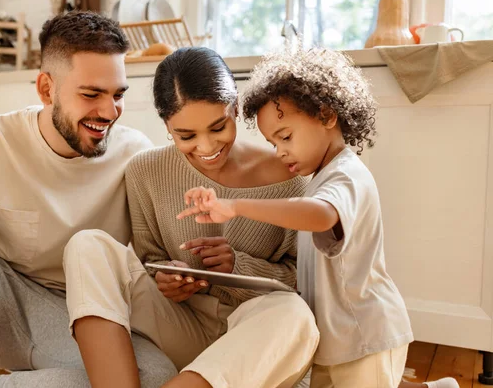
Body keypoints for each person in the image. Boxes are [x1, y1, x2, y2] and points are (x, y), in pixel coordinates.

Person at [0, 11, 177, 388]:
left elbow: (153, 256)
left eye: (118, 95)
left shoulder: (136, 156)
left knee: (155, 377)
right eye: (92, 94)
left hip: (75, 319)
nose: (109, 112)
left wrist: (174, 272)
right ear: (46, 89)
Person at [176, 47, 446, 388]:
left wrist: (235, 205)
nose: (280, 151)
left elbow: (320, 215)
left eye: (285, 136)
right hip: (333, 339)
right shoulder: (321, 177)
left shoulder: (344, 175)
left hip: (364, 335)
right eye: (273, 143)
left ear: (326, 115)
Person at [62, 47, 320, 388]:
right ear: (167, 125)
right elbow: (150, 260)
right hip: (180, 324)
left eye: (218, 127)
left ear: (236, 108)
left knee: (296, 315)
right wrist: (168, 279)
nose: (206, 146)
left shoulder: (292, 178)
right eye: (186, 136)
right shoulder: (146, 171)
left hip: (252, 337)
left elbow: (303, 283)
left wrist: (236, 266)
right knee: (87, 245)